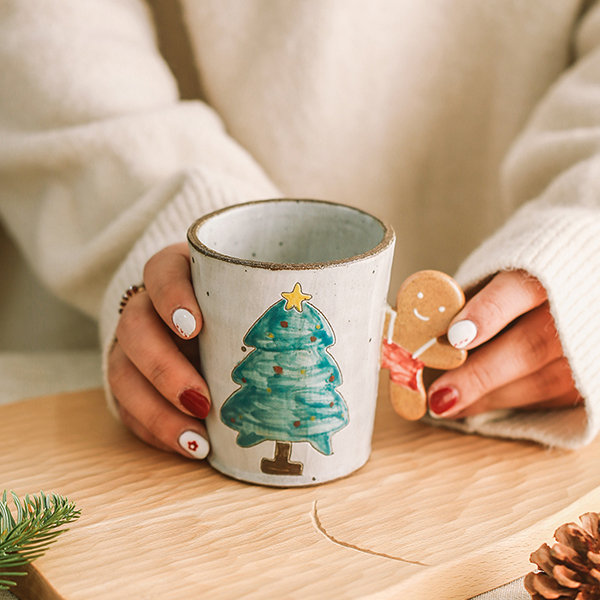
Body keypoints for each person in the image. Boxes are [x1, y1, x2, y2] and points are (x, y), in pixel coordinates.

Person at [0, 0, 598, 462]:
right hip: (91, 365)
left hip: (511, 416)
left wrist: (581, 239)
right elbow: (50, 33)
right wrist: (165, 215)